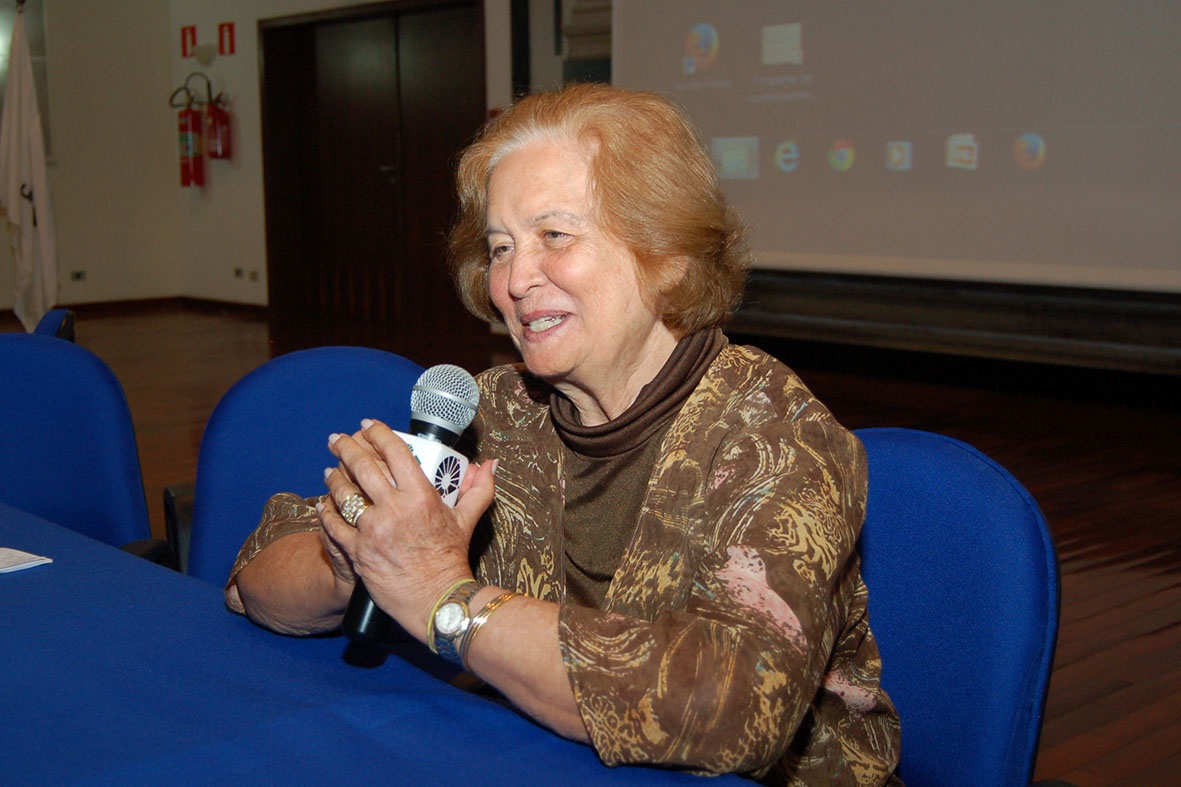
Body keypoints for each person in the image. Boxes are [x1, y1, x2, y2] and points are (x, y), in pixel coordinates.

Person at [226, 82, 901, 785]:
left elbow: (728, 707)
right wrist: (357, 557)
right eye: (499, 247)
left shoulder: (775, 435)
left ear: (667, 252)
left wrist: (443, 599)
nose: (514, 280)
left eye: (554, 236)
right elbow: (255, 572)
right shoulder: (490, 411)